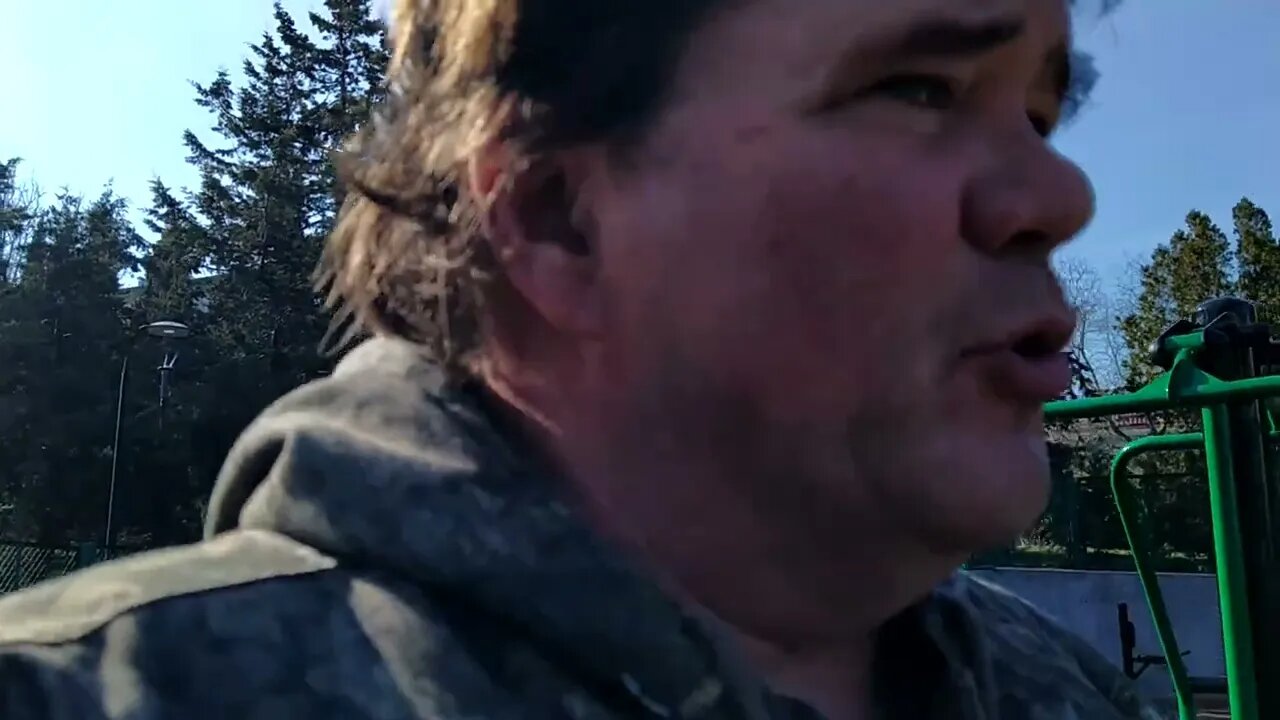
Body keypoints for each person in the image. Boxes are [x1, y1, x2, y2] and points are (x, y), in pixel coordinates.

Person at [0, 0, 1162, 718]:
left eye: (1035, 116)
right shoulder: (96, 695)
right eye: (918, 88)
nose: (1058, 196)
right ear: (553, 215)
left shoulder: (1065, 693)